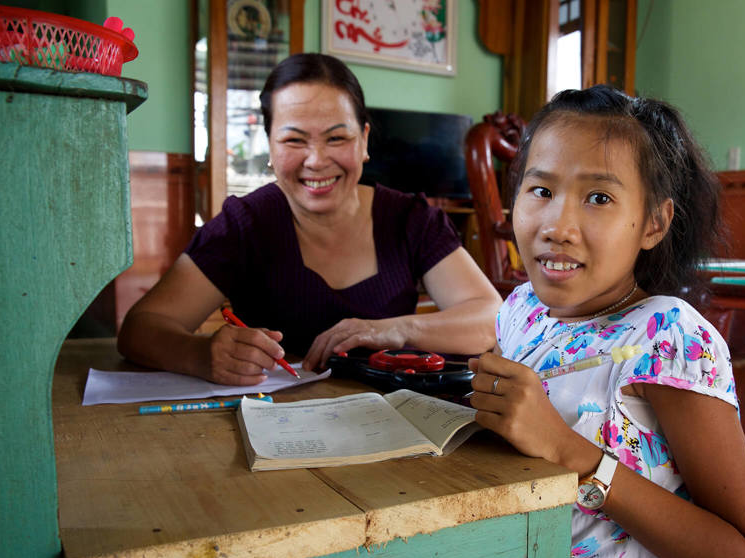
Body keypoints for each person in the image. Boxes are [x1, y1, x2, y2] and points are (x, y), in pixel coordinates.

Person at [299, 86, 745, 558]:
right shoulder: (522, 309)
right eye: (541, 189)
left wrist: (575, 455)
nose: (557, 224)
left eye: (598, 198)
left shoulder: (667, 338)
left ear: (654, 222)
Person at [117, 54, 501, 383]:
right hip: (271, 434)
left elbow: (490, 318)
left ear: (364, 140)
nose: (316, 160)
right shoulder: (245, 224)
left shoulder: (411, 220)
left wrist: (396, 329)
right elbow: (140, 329)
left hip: (392, 430)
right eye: (294, 140)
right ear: (268, 144)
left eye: (336, 138)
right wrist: (199, 355)